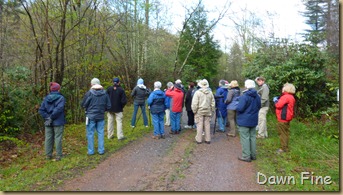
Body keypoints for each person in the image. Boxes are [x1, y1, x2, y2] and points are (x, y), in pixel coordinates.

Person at [82, 78, 111, 155]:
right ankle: (101, 150)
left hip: (91, 116)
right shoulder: (105, 93)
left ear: (92, 84)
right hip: (101, 116)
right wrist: (103, 110)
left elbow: (84, 104)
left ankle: (91, 151)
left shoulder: (89, 93)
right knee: (101, 133)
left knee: (90, 133)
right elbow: (109, 106)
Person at [38, 82, 66, 161]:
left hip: (48, 121)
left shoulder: (46, 98)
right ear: (58, 89)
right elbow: (59, 109)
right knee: (58, 138)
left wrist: (48, 117)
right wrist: (51, 117)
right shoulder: (61, 98)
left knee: (48, 138)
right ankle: (58, 155)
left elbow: (41, 110)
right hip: (58, 121)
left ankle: (48, 155)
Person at [236, 79, 261, 162]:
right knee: (253, 137)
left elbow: (240, 108)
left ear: (246, 86)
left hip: (244, 120)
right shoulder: (257, 96)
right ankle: (253, 155)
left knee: (245, 138)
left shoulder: (244, 96)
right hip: (253, 119)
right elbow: (259, 106)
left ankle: (246, 156)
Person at [274, 83, 296, 153]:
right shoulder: (291, 97)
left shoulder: (285, 97)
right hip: (287, 117)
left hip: (282, 117)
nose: (282, 88)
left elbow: (278, 105)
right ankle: (285, 147)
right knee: (285, 132)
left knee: (282, 133)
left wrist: (275, 101)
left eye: (284, 87)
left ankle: (283, 148)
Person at [191, 79, 215, 144]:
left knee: (199, 125)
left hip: (199, 111)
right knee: (207, 125)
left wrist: (194, 111)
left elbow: (194, 103)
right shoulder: (210, 93)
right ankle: (208, 139)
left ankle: (199, 140)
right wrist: (212, 110)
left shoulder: (197, 93)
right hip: (208, 111)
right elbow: (213, 103)